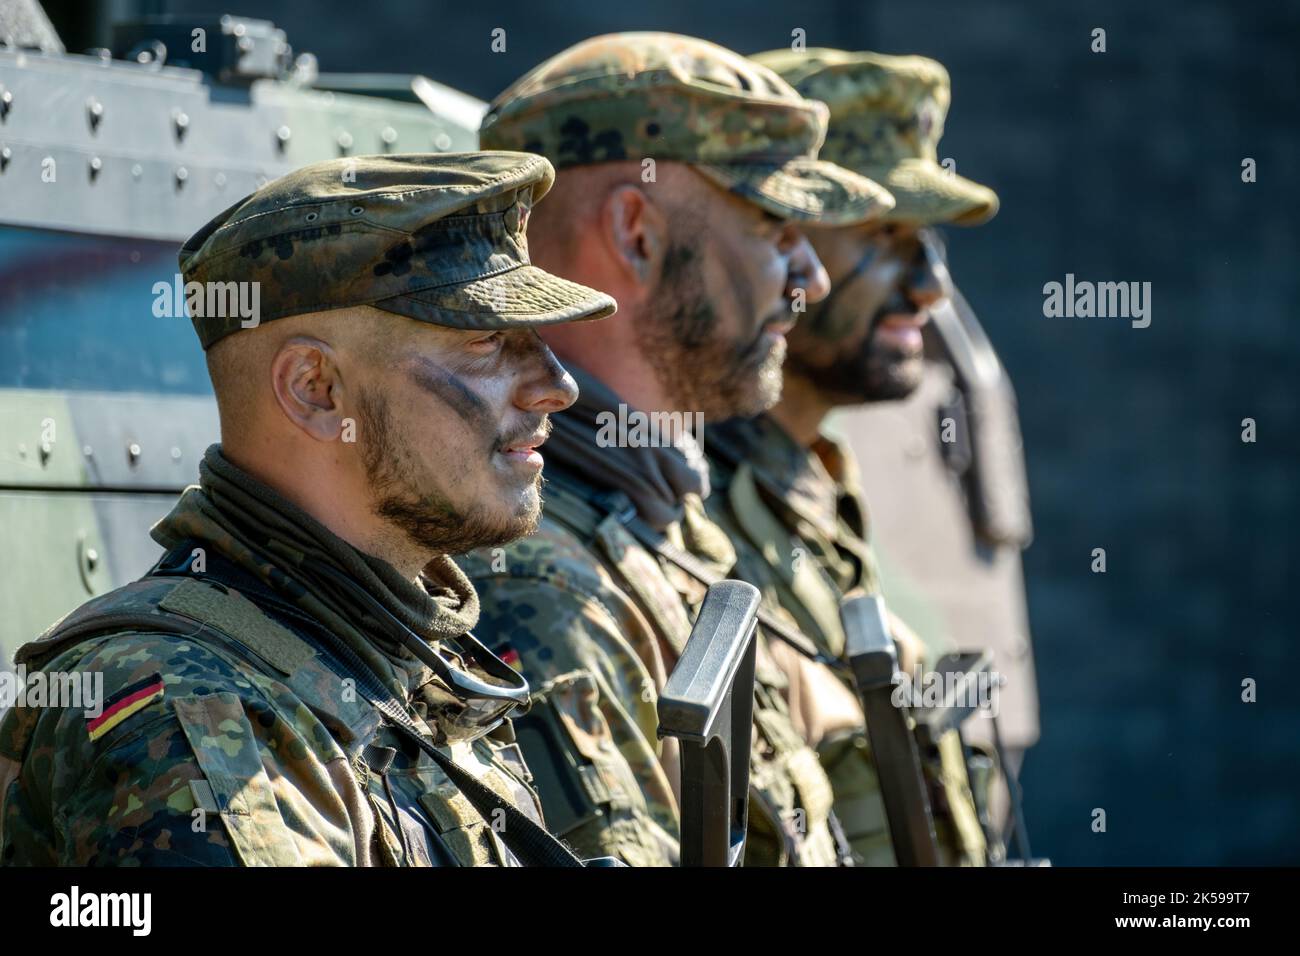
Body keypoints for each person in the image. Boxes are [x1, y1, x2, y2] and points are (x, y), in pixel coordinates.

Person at [0, 152, 616, 866]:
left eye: (539, 342)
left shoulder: (402, 657)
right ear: (315, 390)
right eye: (487, 342)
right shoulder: (193, 704)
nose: (558, 386)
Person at [460, 31, 894, 866]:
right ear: (637, 233)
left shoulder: (660, 518)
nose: (813, 278)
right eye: (774, 226)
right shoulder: (540, 585)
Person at [705, 47, 1030, 861]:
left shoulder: (809, 483)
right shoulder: (678, 504)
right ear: (777, 229)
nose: (929, 286)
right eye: (884, 234)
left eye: (924, 241)